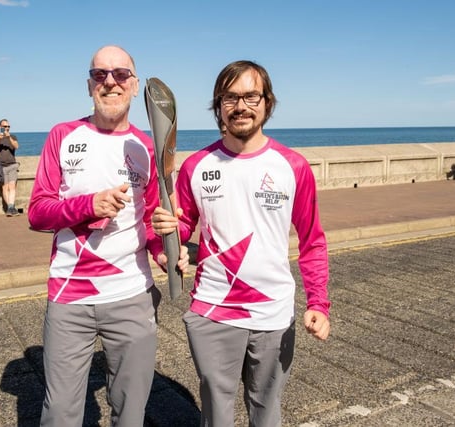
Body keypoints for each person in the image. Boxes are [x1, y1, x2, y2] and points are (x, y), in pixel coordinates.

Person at [152, 60, 331, 426]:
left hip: (273, 312)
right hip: (213, 309)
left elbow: (312, 241)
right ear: (218, 106)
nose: (241, 106)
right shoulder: (197, 166)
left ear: (267, 102)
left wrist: (319, 302)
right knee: (216, 413)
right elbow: (181, 226)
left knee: (266, 411)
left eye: (251, 96)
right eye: (230, 97)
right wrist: (165, 236)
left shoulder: (293, 166)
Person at [28, 45, 187, 426]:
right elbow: (37, 212)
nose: (110, 81)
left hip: (132, 295)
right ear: (89, 86)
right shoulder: (63, 136)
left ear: (134, 86)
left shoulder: (146, 148)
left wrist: (164, 252)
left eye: (120, 74)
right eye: (100, 75)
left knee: (131, 411)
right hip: (69, 295)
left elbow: (150, 220)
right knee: (60, 413)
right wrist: (88, 206)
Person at [0, 118, 20, 215]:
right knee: (5, 187)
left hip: (12, 165)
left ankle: (10, 208)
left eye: (8, 126)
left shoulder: (13, 136)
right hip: (1, 165)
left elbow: (16, 146)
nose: (7, 128)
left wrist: (9, 137)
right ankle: (10, 208)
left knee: (12, 186)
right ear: (0, 127)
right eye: (5, 126)